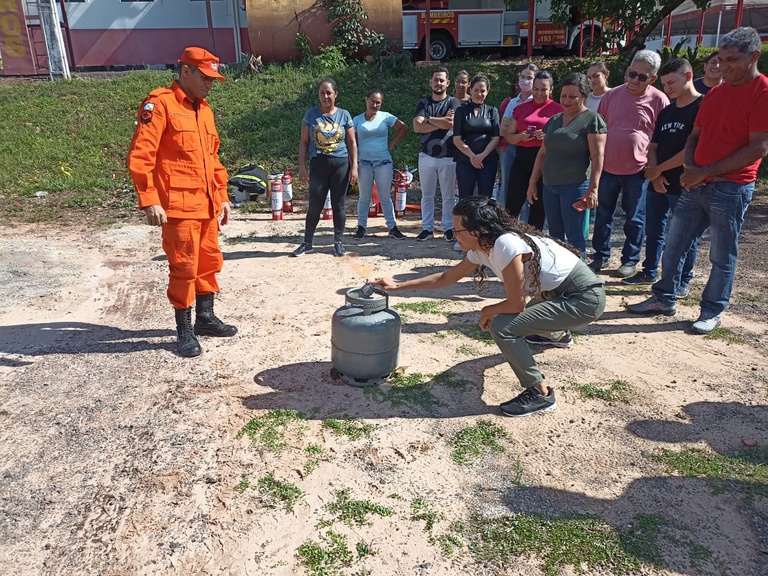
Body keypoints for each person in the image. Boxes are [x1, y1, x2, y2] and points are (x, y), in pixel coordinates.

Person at [371, 197, 606, 417]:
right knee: (522, 320)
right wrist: (397, 285)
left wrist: (487, 311)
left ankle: (540, 393)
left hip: (584, 299)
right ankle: (558, 334)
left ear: (476, 231)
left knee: (503, 326)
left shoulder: (505, 244)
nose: (452, 235)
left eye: (457, 230)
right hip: (554, 295)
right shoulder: (482, 248)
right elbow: (445, 278)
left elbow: (516, 304)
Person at [628, 27, 768, 334]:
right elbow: (694, 136)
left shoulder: (762, 92)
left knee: (721, 255)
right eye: (721, 59)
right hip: (696, 183)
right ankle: (663, 298)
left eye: (732, 60)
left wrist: (703, 172)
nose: (724, 66)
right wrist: (691, 167)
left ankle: (712, 311)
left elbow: (758, 147)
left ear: (753, 57)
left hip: (731, 187)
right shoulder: (715, 93)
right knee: (674, 245)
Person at [127, 47, 238, 358]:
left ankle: (205, 318)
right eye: (205, 78)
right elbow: (141, 156)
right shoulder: (160, 104)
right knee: (184, 267)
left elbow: (213, 160)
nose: (209, 84)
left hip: (206, 205)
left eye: (213, 79)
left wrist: (222, 196)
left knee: (209, 262)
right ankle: (184, 330)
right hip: (178, 207)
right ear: (186, 71)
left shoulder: (205, 110)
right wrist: (149, 199)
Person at [623, 58, 702, 296]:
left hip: (685, 183)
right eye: (665, 84)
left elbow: (692, 149)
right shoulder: (667, 110)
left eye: (672, 83)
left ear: (688, 76)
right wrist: (655, 172)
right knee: (654, 230)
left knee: (685, 236)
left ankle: (683, 280)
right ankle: (649, 270)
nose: (667, 88)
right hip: (658, 181)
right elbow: (653, 145)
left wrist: (659, 169)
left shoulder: (703, 107)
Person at [589, 50, 669, 278]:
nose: (634, 80)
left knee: (634, 218)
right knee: (603, 215)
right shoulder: (611, 96)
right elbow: (600, 129)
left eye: (642, 77)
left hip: (638, 170)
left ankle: (630, 260)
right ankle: (600, 256)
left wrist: (655, 166)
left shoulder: (659, 100)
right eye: (631, 74)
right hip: (608, 167)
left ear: (652, 78)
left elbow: (662, 138)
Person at [527, 73, 606, 259]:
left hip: (574, 185)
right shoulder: (554, 120)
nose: (567, 100)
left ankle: (578, 272)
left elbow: (597, 156)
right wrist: (532, 182)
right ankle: (559, 271)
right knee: (554, 234)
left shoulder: (592, 120)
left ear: (584, 96)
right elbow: (542, 153)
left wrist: (593, 188)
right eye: (563, 96)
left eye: (572, 96)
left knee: (574, 234)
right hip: (549, 185)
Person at [292, 78, 358, 257]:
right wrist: (302, 166)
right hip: (318, 165)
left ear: (336, 94)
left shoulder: (344, 115)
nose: (326, 96)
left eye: (329, 93)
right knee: (315, 205)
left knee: (339, 205)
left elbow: (352, 142)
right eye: (322, 93)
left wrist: (354, 167)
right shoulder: (311, 114)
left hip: (340, 165)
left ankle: (338, 242)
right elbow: (304, 142)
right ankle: (307, 243)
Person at [505, 70, 563, 230]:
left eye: (544, 89)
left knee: (539, 206)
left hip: (545, 161)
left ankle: (533, 239)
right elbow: (509, 137)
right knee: (512, 205)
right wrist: (520, 137)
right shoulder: (521, 109)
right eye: (536, 89)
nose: (539, 93)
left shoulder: (558, 110)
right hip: (521, 159)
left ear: (551, 90)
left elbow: (564, 138)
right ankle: (507, 237)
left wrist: (547, 137)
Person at [352, 88, 409, 240]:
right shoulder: (357, 120)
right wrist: (354, 164)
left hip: (383, 161)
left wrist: (391, 145)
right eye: (372, 101)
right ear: (366, 100)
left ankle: (392, 226)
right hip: (364, 162)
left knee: (384, 196)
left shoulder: (386, 117)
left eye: (378, 103)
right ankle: (361, 226)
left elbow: (403, 128)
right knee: (364, 196)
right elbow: (352, 143)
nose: (375, 105)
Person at [413, 66, 461, 242]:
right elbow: (417, 127)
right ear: (430, 82)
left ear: (447, 83)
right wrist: (442, 122)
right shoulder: (423, 103)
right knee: (427, 195)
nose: (438, 83)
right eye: (435, 79)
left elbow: (451, 123)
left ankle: (448, 228)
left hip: (449, 156)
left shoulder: (454, 103)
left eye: (441, 80)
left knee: (448, 196)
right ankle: (427, 228)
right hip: (426, 156)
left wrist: (428, 120)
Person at [452, 74, 500, 200]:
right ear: (470, 90)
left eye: (482, 91)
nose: (479, 94)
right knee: (465, 199)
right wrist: (473, 157)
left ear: (487, 91)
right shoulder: (461, 111)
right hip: (465, 160)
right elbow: (456, 139)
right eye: (476, 90)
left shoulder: (492, 111)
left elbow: (495, 138)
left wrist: (481, 156)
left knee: (485, 199)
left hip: (488, 160)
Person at [498, 63, 537, 208]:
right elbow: (503, 129)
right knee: (507, 185)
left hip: (531, 151)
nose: (525, 81)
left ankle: (527, 220)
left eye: (529, 78)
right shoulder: (513, 102)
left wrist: (514, 130)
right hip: (510, 148)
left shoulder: (538, 102)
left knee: (530, 186)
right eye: (522, 77)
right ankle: (504, 218)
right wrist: (519, 134)